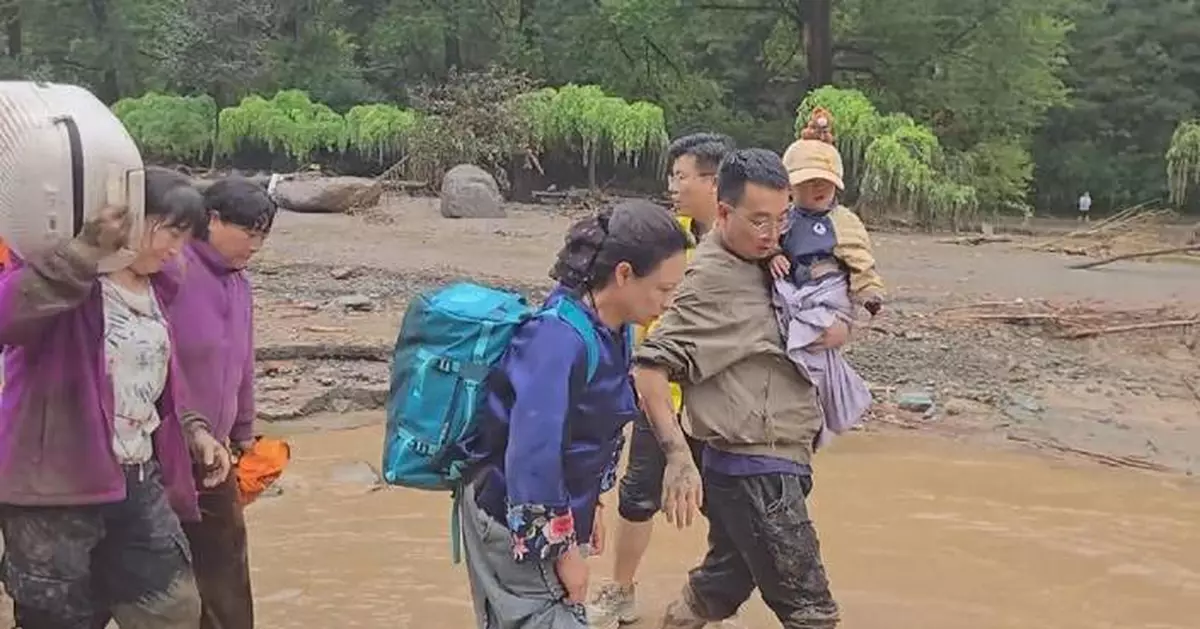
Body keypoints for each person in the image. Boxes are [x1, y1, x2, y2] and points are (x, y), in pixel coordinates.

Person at [0, 166, 233, 629]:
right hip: (55, 488)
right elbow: (7, 317)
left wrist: (195, 431)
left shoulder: (156, 290)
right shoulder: (68, 283)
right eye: (168, 231)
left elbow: (152, 384)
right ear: (127, 219)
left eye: (184, 237)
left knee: (171, 608)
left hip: (136, 478)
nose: (175, 249)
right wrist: (83, 252)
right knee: (60, 617)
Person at [634, 149, 844, 629]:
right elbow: (647, 367)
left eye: (782, 217)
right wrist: (678, 459)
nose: (773, 233)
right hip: (753, 468)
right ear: (724, 213)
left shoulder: (776, 260)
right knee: (812, 612)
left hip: (776, 459)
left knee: (720, 585)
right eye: (759, 222)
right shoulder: (709, 279)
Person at [457, 200, 691, 629]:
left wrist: (592, 506)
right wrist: (563, 550)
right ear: (623, 274)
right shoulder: (557, 338)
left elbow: (590, 431)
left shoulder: (616, 327)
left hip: (558, 514)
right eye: (663, 289)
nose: (669, 302)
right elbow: (532, 455)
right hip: (512, 515)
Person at [588, 133, 735, 629]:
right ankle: (621, 591)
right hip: (658, 394)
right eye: (672, 176)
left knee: (729, 502)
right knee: (637, 496)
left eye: (681, 175)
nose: (672, 185)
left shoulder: (744, 244)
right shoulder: (664, 240)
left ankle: (714, 598)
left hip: (720, 400)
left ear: (713, 182)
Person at [170, 176, 277, 629]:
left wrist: (244, 434)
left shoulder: (241, 284)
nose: (255, 245)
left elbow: (243, 362)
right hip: (164, 448)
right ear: (212, 220)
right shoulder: (172, 270)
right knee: (158, 573)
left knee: (227, 570)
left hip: (217, 454)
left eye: (262, 236)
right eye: (249, 233)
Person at [767, 109, 880, 446]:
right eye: (807, 181)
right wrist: (773, 255)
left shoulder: (843, 222)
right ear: (790, 186)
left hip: (826, 295)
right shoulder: (780, 217)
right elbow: (764, 244)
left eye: (824, 182)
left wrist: (869, 294)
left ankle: (821, 412)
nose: (817, 188)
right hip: (792, 292)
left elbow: (861, 263)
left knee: (816, 351)